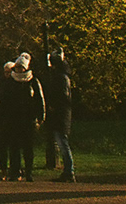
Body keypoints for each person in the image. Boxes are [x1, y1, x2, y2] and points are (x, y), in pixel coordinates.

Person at [0, 52, 46, 182]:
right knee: (14, 147)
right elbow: (4, 99)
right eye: (16, 67)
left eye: (20, 67)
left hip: (28, 118)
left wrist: (41, 116)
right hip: (13, 119)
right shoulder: (10, 82)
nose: (18, 70)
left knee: (28, 147)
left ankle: (29, 172)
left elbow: (40, 100)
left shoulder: (33, 81)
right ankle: (15, 172)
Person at [41, 49, 77, 181]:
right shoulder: (63, 76)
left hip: (60, 115)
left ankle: (69, 171)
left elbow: (62, 96)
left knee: (63, 143)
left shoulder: (60, 78)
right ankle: (68, 170)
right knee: (62, 142)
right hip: (62, 115)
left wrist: (54, 106)